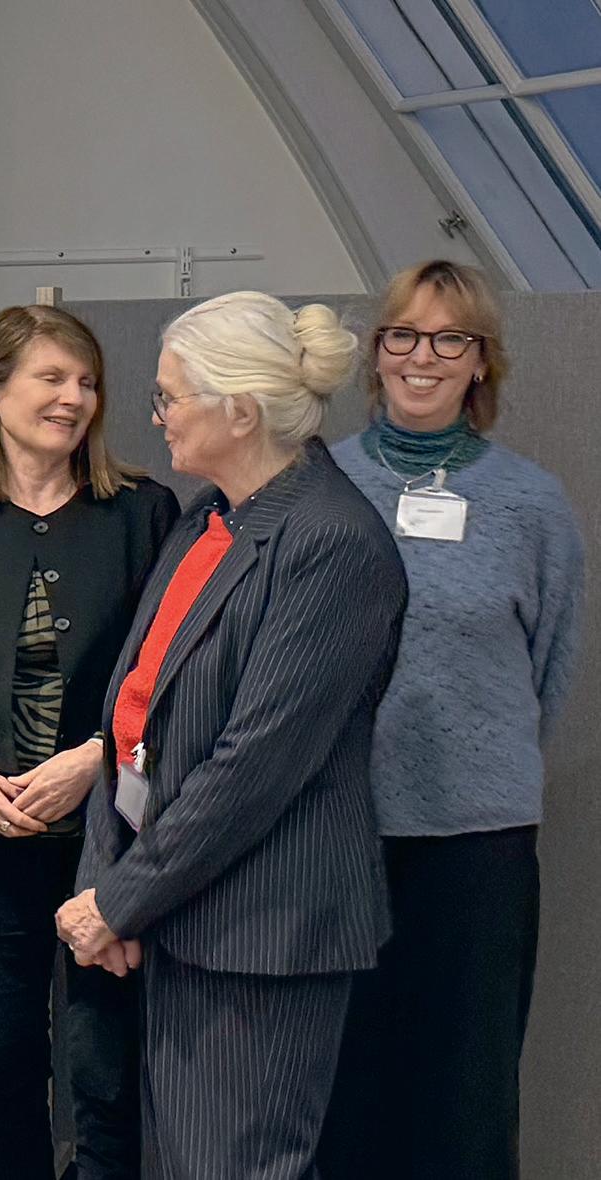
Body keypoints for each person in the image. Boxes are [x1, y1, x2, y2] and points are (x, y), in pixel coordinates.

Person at [62, 291, 402, 1180]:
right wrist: (110, 886)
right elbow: (129, 718)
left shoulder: (332, 542)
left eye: (169, 396)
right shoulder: (207, 519)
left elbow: (252, 767)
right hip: (179, 915)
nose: (157, 416)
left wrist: (119, 901)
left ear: (239, 411)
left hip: (262, 937)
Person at [319, 261, 583, 1180]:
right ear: (375, 353)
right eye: (402, 335)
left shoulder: (530, 504)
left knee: (465, 1091)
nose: (420, 357)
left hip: (476, 842)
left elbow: (548, 667)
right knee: (348, 1086)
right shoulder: (321, 484)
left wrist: (477, 760)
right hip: (339, 829)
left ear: (480, 362)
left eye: (448, 339)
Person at [0, 306, 171, 1180]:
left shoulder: (142, 513)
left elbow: (171, 674)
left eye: (85, 382)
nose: (73, 398)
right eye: (50, 378)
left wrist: (94, 757)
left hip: (110, 838)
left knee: (106, 1066)